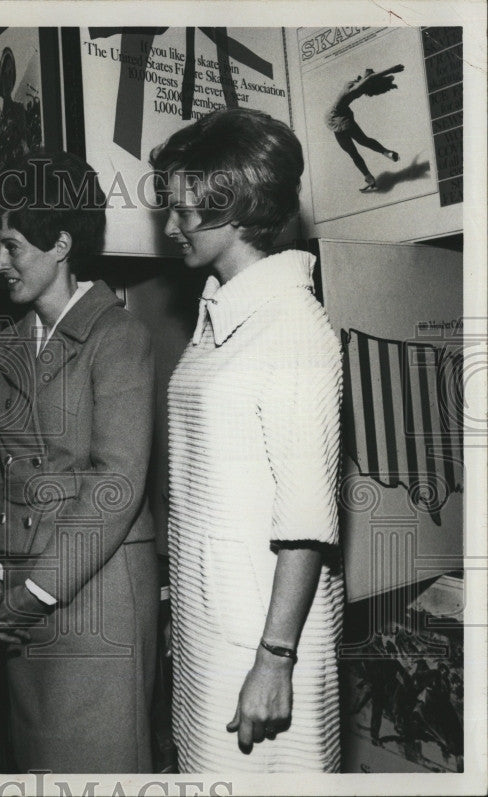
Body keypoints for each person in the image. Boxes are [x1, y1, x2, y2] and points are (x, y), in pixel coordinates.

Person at [151, 108, 344, 772]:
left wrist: (275, 658)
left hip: (264, 639)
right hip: (215, 627)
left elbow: (307, 521)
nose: (170, 224)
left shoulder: (293, 327)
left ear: (231, 206)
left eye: (182, 208)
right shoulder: (222, 316)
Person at [0, 150, 159, 772]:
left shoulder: (117, 336)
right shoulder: (17, 340)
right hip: (22, 598)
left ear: (62, 243)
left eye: (12, 246)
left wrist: (35, 591)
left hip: (95, 595)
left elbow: (117, 483)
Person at [325, 64, 404, 192]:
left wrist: (391, 70)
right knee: (364, 141)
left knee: (353, 152)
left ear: (369, 80)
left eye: (369, 74)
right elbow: (370, 77)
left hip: (337, 120)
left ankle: (369, 178)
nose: (366, 72)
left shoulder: (356, 88)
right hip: (344, 117)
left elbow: (371, 77)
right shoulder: (359, 84)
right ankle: (386, 153)